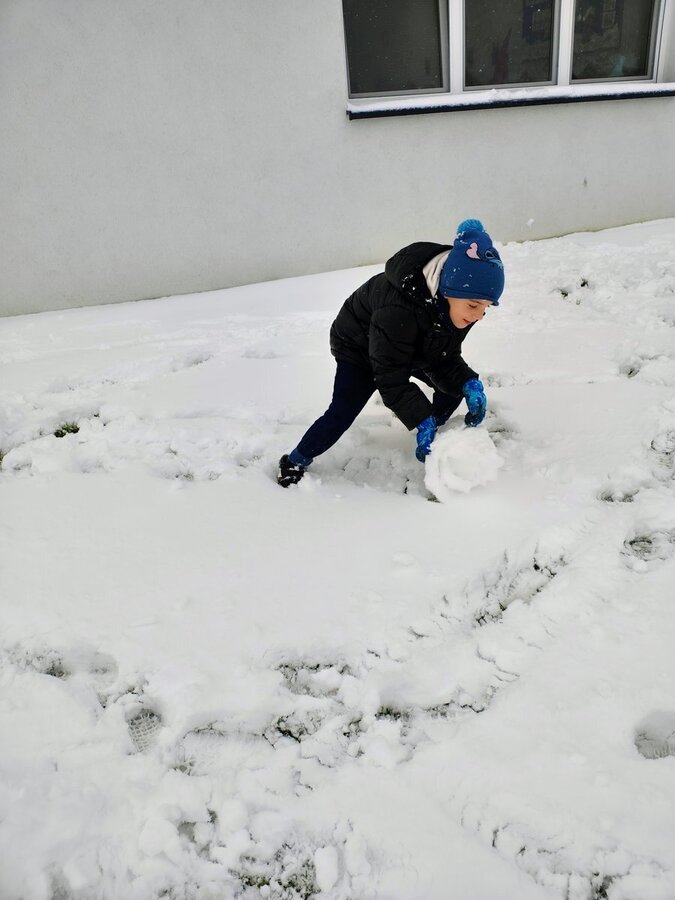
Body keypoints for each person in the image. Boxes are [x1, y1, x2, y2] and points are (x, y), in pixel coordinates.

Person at [277, 219, 505, 487]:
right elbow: (390, 378)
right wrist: (419, 417)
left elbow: (444, 356)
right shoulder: (398, 310)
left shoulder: (457, 309)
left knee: (452, 389)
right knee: (342, 412)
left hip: (406, 344)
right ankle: (295, 460)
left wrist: (467, 382)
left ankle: (435, 428)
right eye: (475, 305)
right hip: (359, 348)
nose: (479, 316)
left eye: (486, 307)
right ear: (449, 289)